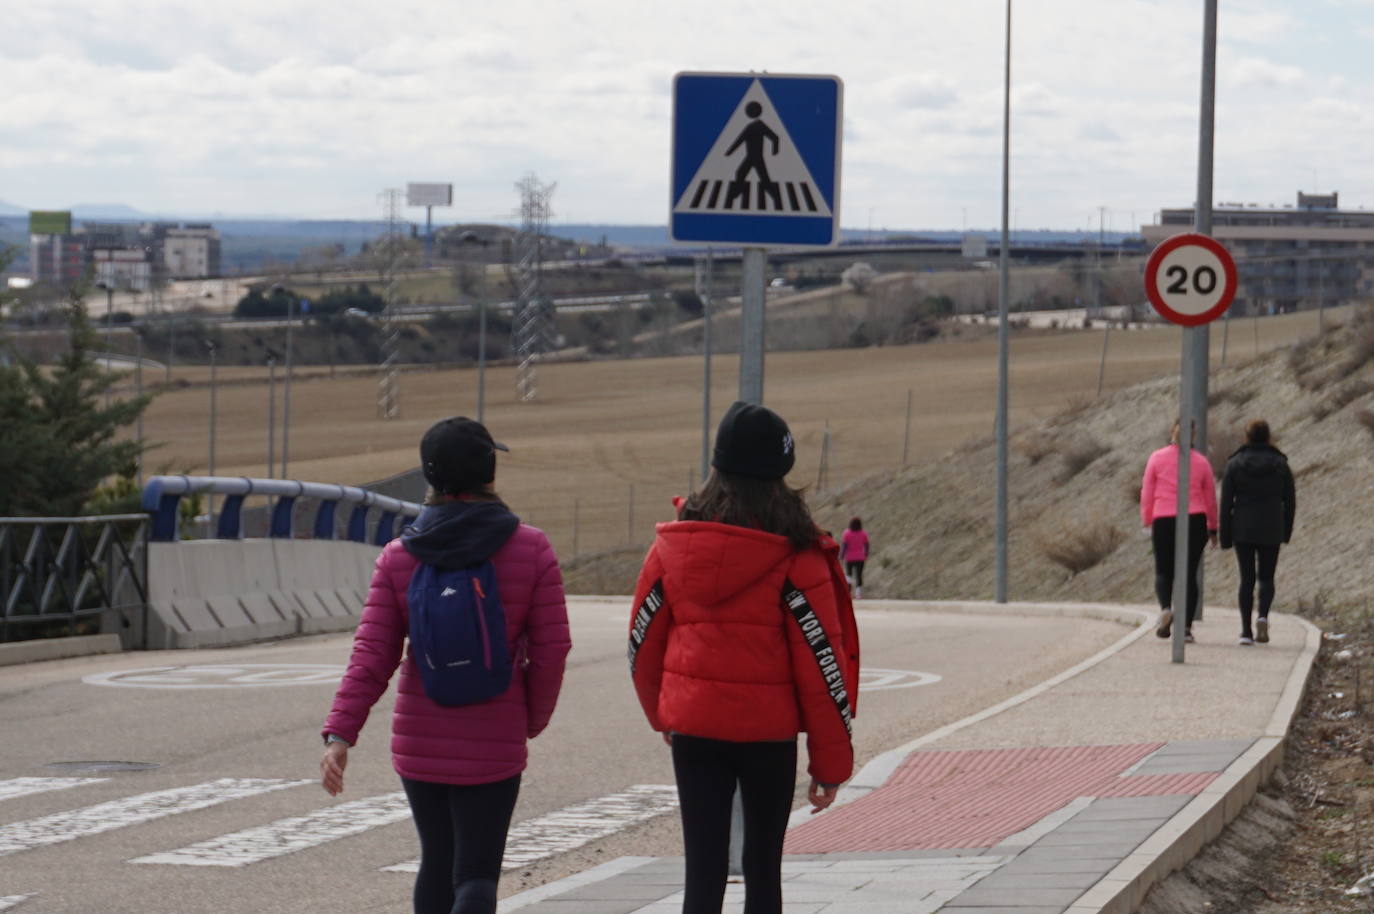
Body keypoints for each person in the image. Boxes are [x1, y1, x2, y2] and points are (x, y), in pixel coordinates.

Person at [321, 417, 571, 914]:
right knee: (476, 873)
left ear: (430, 477)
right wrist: (531, 718)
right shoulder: (531, 547)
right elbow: (552, 649)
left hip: (420, 741)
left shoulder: (398, 556)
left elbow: (372, 654)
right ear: (489, 473)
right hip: (495, 737)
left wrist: (340, 734)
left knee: (437, 862)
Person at [628, 401, 860, 914]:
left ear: (717, 465)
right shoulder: (798, 555)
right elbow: (824, 667)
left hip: (695, 728)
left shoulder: (673, 547)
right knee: (762, 870)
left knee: (702, 872)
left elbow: (642, 643)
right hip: (767, 734)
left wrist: (663, 714)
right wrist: (830, 765)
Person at [1219, 419, 1296, 646]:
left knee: (1247, 579)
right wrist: (1286, 531)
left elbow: (1226, 503)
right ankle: (1262, 616)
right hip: (1271, 526)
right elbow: (1290, 501)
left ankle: (1245, 631)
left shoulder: (1235, 464)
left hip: (1243, 526)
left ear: (1247, 437)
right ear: (1268, 437)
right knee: (1266, 577)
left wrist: (1225, 536)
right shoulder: (1280, 464)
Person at [1140, 419, 1218, 643]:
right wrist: (1213, 527)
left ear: (1171, 432)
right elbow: (1210, 498)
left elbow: (1147, 492)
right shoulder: (1201, 462)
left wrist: (1147, 520)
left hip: (1164, 518)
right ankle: (1185, 628)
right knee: (1189, 574)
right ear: (1194, 435)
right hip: (1195, 518)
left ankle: (1166, 608)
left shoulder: (1156, 458)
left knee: (1163, 571)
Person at [841, 517, 870, 598]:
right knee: (859, 575)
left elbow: (844, 545)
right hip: (860, 557)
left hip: (849, 557)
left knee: (848, 574)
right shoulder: (863, 533)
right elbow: (866, 545)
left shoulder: (846, 533)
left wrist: (842, 555)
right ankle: (858, 593)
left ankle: (848, 591)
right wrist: (866, 554)